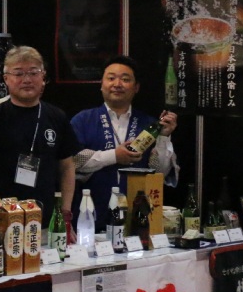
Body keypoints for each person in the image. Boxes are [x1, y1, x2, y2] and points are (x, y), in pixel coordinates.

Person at [70, 55, 179, 228]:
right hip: (91, 216)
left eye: (125, 79)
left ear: (136, 87)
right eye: (111, 78)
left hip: (139, 216)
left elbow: (160, 172)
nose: (117, 84)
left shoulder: (149, 124)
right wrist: (115, 156)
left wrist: (164, 137)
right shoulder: (83, 120)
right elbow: (72, 162)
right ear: (101, 84)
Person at [0, 46, 80, 215]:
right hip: (1, 217)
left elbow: (67, 168)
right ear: (6, 79)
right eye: (19, 73)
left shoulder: (57, 117)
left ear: (43, 77)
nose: (27, 79)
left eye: (33, 73)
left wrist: (65, 210)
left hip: (46, 216)